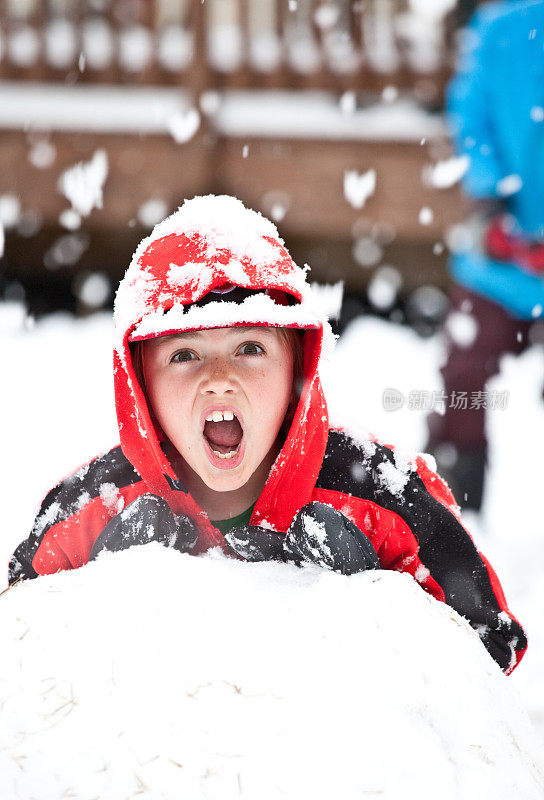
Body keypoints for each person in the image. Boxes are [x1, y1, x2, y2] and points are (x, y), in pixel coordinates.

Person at [9, 195, 526, 674]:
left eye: (250, 348)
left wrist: (371, 609)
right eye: (183, 355)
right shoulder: (89, 508)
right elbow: (17, 658)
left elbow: (491, 650)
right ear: (140, 386)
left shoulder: (385, 494)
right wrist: (94, 604)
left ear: (297, 369)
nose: (218, 379)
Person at [428, 0, 544, 510]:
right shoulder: (499, 28)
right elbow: (470, 118)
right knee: (464, 375)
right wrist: (492, 201)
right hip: (503, 253)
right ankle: (453, 502)